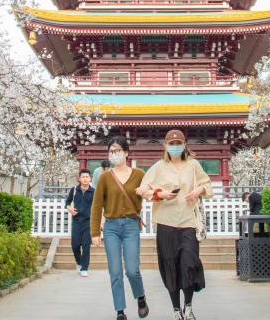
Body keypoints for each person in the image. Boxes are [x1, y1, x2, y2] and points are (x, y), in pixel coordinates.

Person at [138, 130, 212, 320]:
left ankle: (188, 306)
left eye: (178, 143)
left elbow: (207, 185)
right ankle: (176, 310)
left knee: (189, 264)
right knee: (170, 265)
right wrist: (160, 194)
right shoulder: (158, 167)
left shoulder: (193, 165)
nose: (175, 147)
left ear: (184, 145)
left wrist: (199, 190)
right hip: (166, 223)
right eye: (171, 144)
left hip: (188, 222)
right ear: (165, 146)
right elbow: (142, 189)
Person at [91, 136, 149, 320]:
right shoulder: (105, 177)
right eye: (111, 151)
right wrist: (95, 232)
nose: (114, 154)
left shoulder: (139, 174)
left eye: (117, 150)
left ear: (126, 152)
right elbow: (96, 205)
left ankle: (140, 297)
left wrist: (149, 192)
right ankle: (120, 311)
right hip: (111, 228)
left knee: (132, 269)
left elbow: (149, 193)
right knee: (115, 272)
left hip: (131, 226)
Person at [66, 168, 95, 277]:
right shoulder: (74, 190)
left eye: (87, 177)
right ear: (79, 179)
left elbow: (97, 207)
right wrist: (69, 208)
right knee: (75, 245)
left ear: (90, 178)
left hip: (88, 222)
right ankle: (79, 262)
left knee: (86, 245)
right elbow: (67, 202)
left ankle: (84, 268)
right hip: (76, 221)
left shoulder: (93, 191)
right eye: (83, 177)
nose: (85, 179)